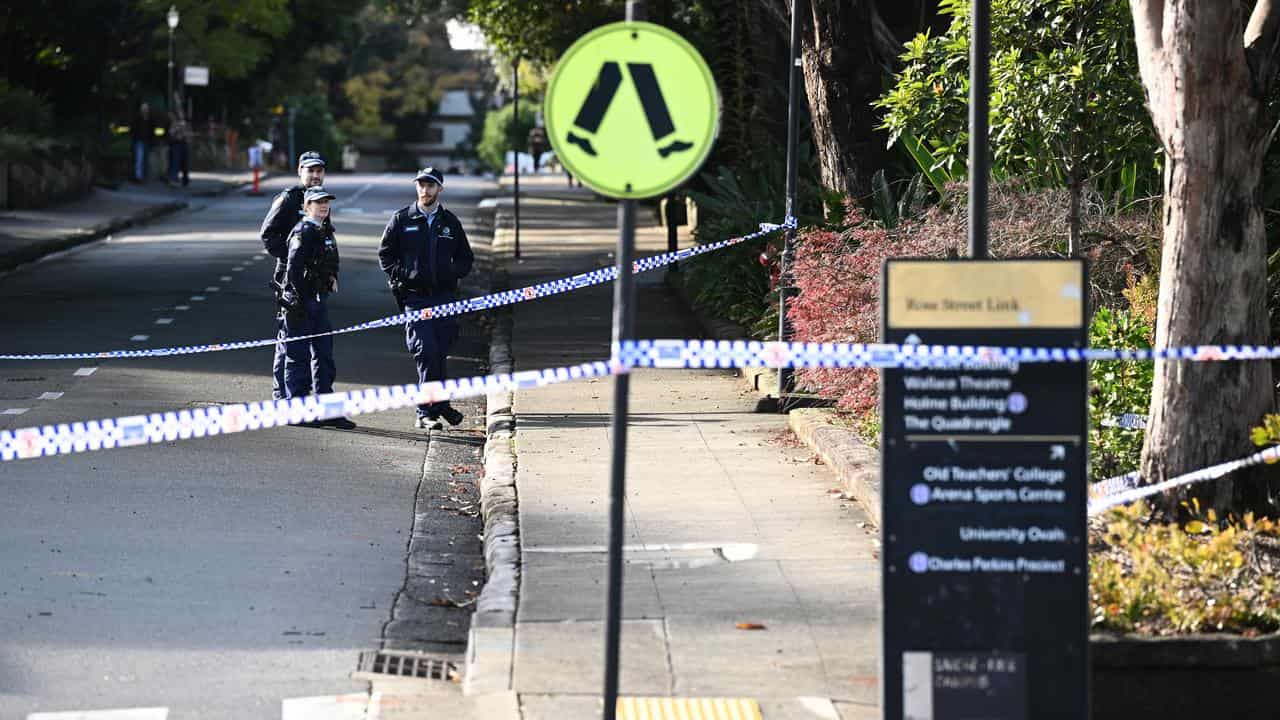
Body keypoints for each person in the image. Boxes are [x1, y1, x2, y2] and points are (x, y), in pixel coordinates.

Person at [378, 167, 474, 430]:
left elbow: (466, 257)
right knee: (426, 351)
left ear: (439, 189)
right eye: (421, 184)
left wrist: (451, 273)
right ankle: (425, 411)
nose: (425, 190)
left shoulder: (450, 222)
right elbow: (385, 255)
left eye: (430, 185)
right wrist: (402, 276)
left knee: (440, 352)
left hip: (444, 297)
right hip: (415, 299)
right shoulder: (402, 219)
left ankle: (440, 405)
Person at [280, 186, 356, 430]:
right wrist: (301, 299)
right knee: (298, 357)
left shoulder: (325, 230)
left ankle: (327, 410)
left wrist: (332, 277)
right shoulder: (303, 231)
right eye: (317, 202)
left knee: (324, 356)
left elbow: (331, 260)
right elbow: (293, 270)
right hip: (301, 303)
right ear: (307, 206)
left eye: (326, 201)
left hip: (319, 300)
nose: (323, 205)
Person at [260, 151, 328, 400]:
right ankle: (282, 394)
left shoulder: (321, 200)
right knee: (288, 338)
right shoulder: (289, 199)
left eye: (319, 170)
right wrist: (292, 259)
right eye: (310, 170)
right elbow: (268, 235)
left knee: (306, 338)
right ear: (300, 171)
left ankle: (293, 395)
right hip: (290, 278)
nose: (315, 175)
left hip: (314, 280)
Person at [167, 93, 191, 187]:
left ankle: (185, 179)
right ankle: (174, 178)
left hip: (183, 139)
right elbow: (171, 128)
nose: (177, 101)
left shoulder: (183, 111)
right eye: (176, 99)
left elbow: (186, 124)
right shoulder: (172, 113)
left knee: (185, 161)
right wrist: (178, 127)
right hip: (176, 140)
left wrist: (186, 133)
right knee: (175, 160)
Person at [130, 101, 154, 182]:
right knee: (139, 159)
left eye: (146, 108)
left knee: (145, 159)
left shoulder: (150, 118)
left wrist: (152, 141)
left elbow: (152, 130)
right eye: (143, 108)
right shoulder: (137, 118)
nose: (144, 109)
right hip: (139, 140)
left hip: (147, 141)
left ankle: (144, 176)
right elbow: (133, 129)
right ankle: (138, 177)